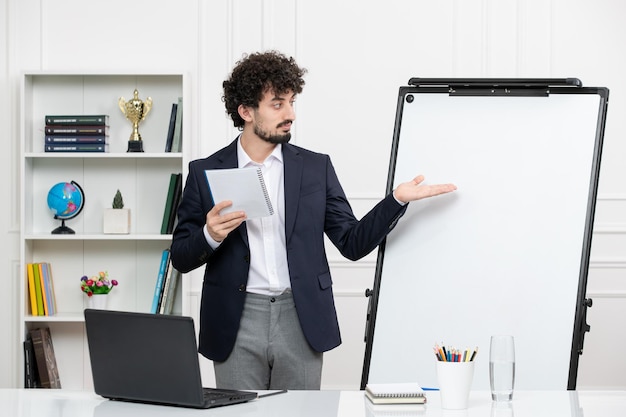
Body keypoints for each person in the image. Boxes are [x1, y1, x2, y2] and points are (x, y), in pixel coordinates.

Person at [170, 50, 456, 391]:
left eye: (292, 102)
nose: (290, 113)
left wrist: (396, 200)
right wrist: (210, 235)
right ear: (246, 111)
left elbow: (351, 243)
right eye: (277, 104)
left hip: (300, 317)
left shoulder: (315, 168)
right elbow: (182, 257)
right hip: (235, 320)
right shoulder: (205, 172)